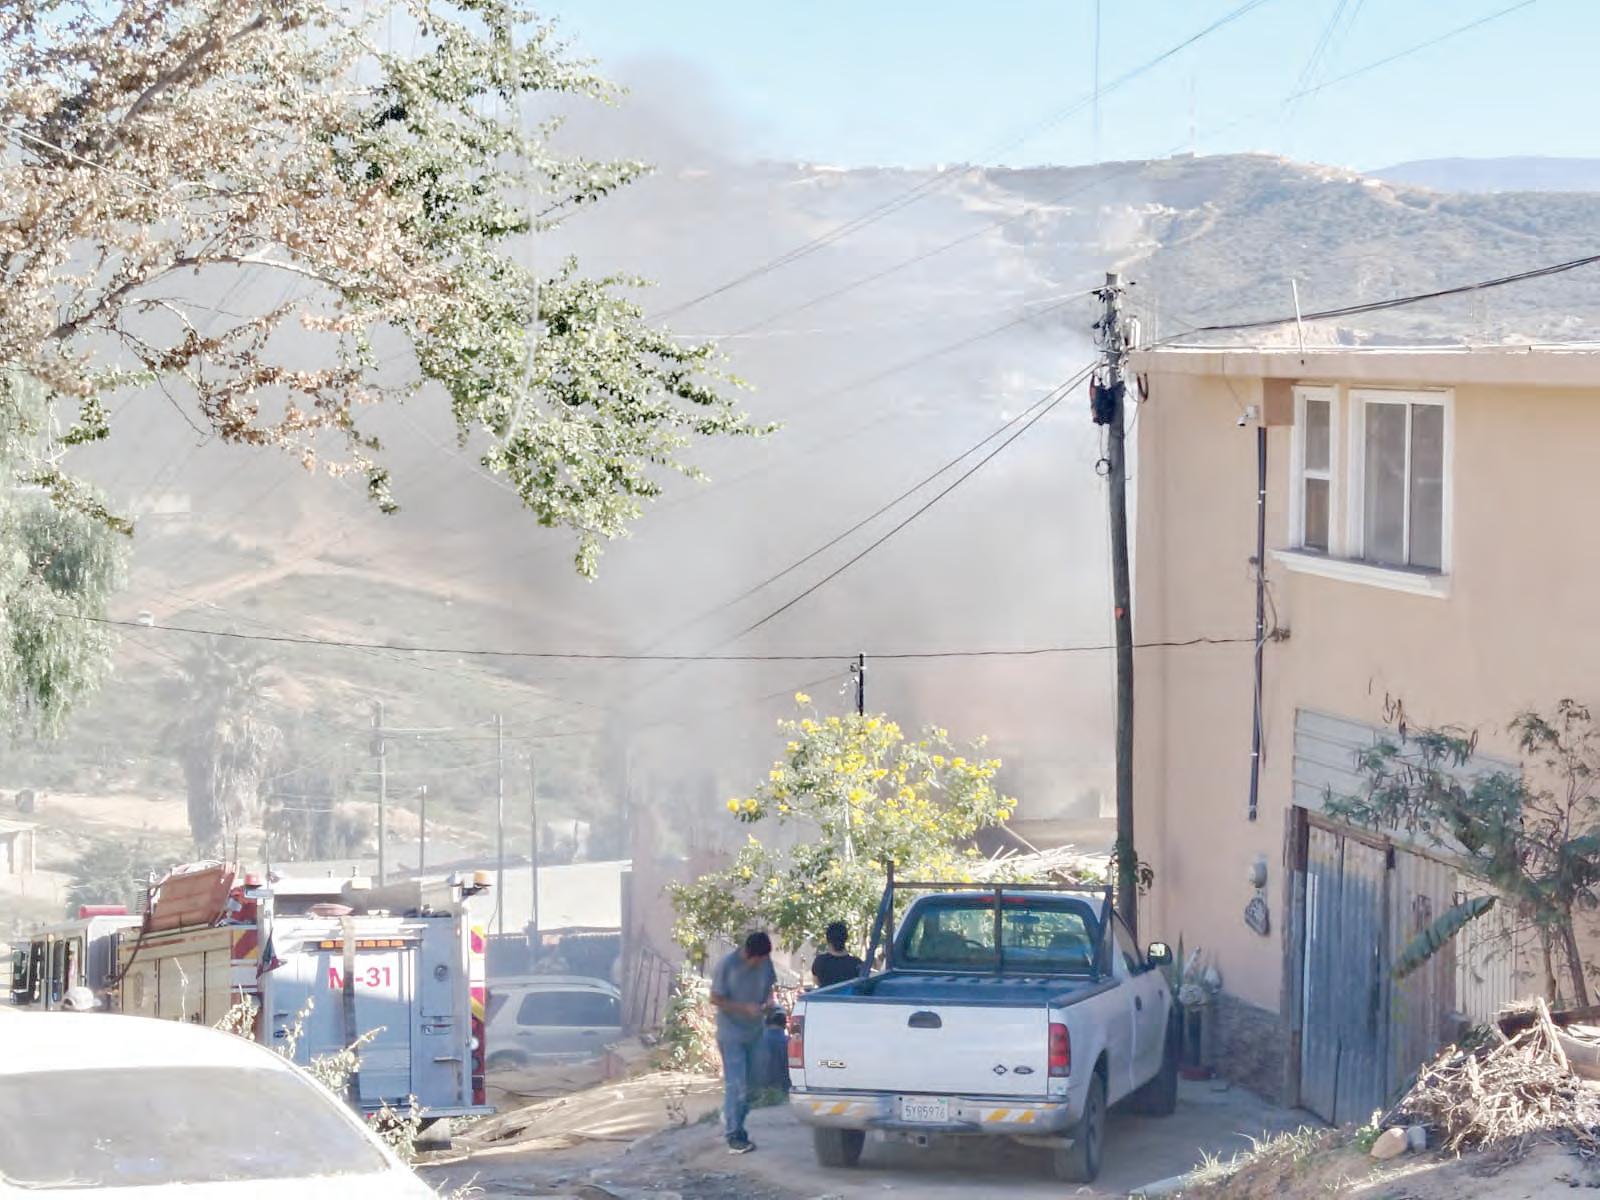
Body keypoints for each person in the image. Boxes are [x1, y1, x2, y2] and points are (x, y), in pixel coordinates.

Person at [710, 930, 776, 1154]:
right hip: (731, 1034)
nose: (760, 964)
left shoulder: (766, 963)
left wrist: (769, 1002)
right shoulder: (727, 965)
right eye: (758, 960)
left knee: (754, 1086)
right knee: (736, 1084)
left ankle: (732, 1115)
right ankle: (734, 1135)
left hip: (756, 1032)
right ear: (748, 954)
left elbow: (770, 989)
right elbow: (715, 998)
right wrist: (743, 1008)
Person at [811, 921, 864, 988]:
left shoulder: (819, 961)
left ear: (828, 940)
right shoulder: (857, 963)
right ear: (846, 938)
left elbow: (817, 982)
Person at [757, 1008, 791, 1093]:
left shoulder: (756, 1042)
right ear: (784, 1024)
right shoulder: (788, 1042)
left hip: (760, 1090)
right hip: (782, 1089)